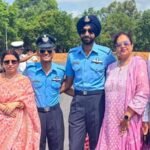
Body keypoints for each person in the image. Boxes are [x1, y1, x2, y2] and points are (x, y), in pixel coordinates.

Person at [61, 15, 116, 150]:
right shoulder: (72, 54)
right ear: (80, 33)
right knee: (74, 144)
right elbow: (68, 83)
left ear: (95, 33)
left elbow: (115, 77)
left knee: (96, 143)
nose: (87, 34)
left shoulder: (106, 54)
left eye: (90, 31)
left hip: (98, 101)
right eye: (83, 31)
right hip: (78, 101)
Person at [96, 32, 149, 150]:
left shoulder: (138, 64)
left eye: (126, 43)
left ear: (132, 46)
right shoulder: (110, 68)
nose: (122, 46)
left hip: (128, 121)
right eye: (118, 44)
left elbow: (143, 92)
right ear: (115, 48)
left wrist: (127, 116)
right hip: (109, 122)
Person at [24, 34, 65, 150]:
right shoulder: (30, 69)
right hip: (37, 114)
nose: (46, 53)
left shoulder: (61, 70)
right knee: (37, 146)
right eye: (42, 50)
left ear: (54, 52)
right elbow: (20, 84)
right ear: (38, 52)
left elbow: (67, 83)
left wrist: (59, 91)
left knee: (57, 146)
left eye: (49, 50)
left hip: (55, 113)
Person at [0, 50, 40, 149]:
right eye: (6, 62)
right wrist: (3, 107)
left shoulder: (24, 81)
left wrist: (16, 104)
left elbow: (29, 100)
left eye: (13, 61)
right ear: (2, 64)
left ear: (18, 63)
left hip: (20, 124)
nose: (10, 64)